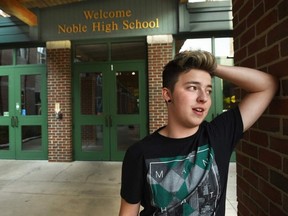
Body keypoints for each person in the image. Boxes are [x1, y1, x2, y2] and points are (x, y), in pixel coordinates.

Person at [119, 50, 278, 216]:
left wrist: (212, 67)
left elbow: (267, 85)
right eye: (193, 87)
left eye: (208, 90)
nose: (203, 97)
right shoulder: (139, 153)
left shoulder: (219, 134)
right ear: (167, 95)